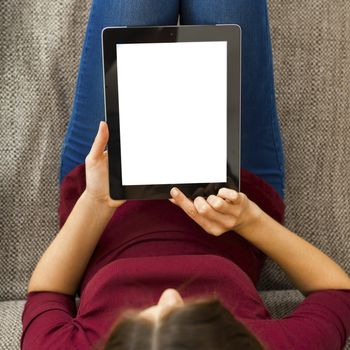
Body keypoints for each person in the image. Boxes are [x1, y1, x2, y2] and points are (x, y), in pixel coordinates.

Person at [21, 1, 350, 349]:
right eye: (193, 312)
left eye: (150, 316)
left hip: (105, 192)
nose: (169, 295)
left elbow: (48, 293)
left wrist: (94, 202)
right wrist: (250, 220)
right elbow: (337, 293)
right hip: (234, 187)